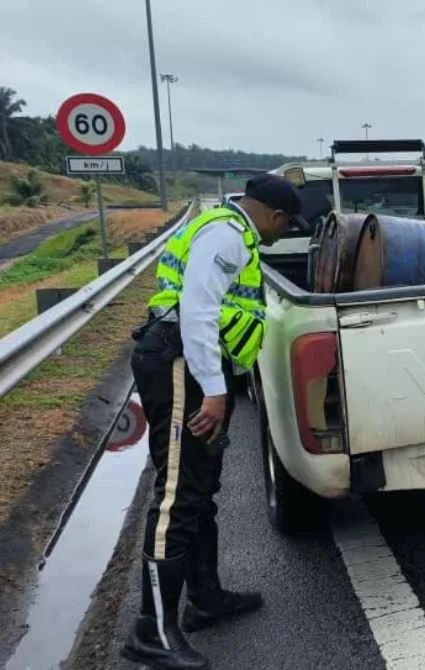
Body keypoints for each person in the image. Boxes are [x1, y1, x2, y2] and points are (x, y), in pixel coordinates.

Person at [122, 174, 304, 669]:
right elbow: (198, 311)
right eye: (286, 227)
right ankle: (152, 632)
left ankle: (205, 597)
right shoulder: (226, 234)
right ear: (276, 216)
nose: (283, 235)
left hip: (192, 362)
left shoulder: (230, 230)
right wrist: (218, 391)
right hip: (182, 364)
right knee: (178, 495)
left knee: (200, 489)